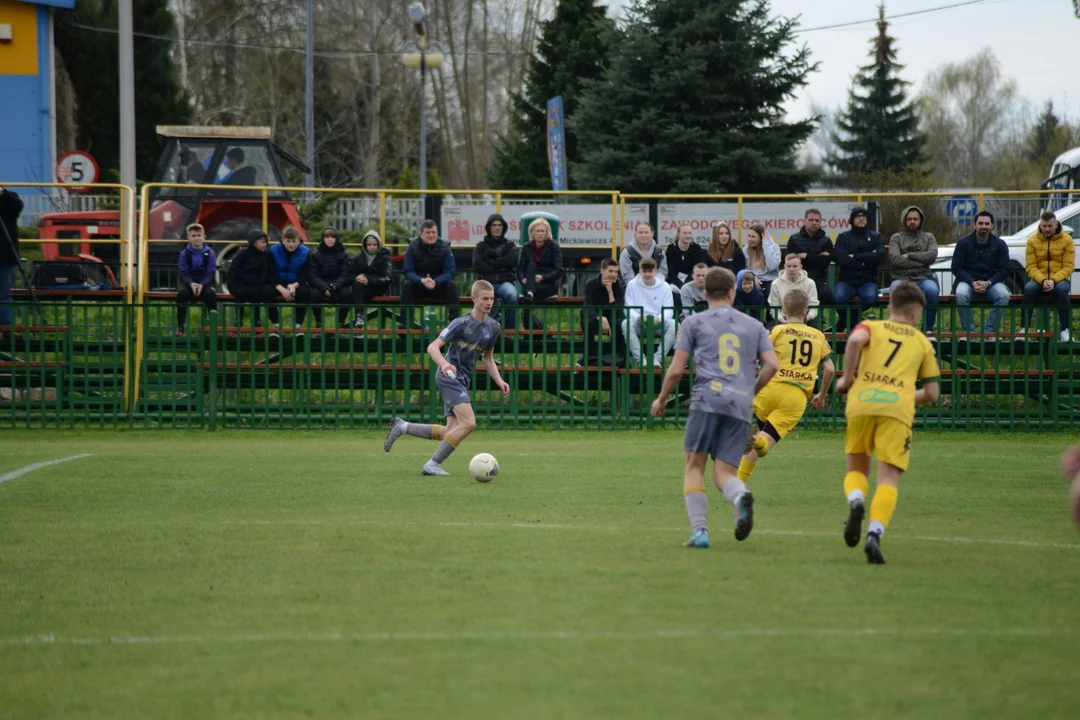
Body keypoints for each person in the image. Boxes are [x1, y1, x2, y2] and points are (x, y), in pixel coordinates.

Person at [650, 267, 778, 548]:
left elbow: (675, 370)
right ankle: (739, 496)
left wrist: (661, 400)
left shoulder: (694, 323)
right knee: (725, 472)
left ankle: (700, 531)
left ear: (705, 293)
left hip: (706, 400)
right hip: (739, 404)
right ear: (732, 292)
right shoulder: (754, 325)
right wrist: (751, 391)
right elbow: (773, 365)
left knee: (694, 466)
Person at [835, 281, 941, 565]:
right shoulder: (921, 342)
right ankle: (874, 533)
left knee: (857, 466)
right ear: (915, 313)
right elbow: (932, 393)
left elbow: (854, 341)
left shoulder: (872, 326)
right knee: (888, 477)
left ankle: (856, 499)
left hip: (862, 402)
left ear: (889, 306)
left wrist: (847, 378)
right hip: (897, 410)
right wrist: (905, 396)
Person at [383, 280, 510, 476]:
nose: (489, 302)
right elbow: (432, 347)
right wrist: (444, 364)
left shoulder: (494, 327)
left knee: (450, 432)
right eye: (485, 298)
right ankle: (432, 464)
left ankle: (403, 427)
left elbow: (488, 359)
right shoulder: (460, 323)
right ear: (474, 299)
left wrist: (499, 380)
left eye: (492, 299)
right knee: (469, 423)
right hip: (449, 376)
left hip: (463, 380)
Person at [737, 289, 834, 484]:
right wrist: (821, 395)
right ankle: (754, 440)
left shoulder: (777, 331)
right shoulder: (818, 336)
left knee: (758, 443)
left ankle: (736, 485)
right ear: (806, 311)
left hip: (769, 389)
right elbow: (830, 369)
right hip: (795, 396)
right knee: (763, 446)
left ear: (782, 311)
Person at [952, 211, 1011, 335]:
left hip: (991, 282)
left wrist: (988, 282)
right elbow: (956, 268)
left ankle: (989, 332)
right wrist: (972, 282)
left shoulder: (1000, 244)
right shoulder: (963, 243)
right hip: (968, 282)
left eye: (987, 223)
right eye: (980, 223)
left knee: (1004, 296)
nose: (983, 226)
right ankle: (969, 333)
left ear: (992, 225)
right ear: (974, 225)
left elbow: (1005, 269)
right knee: (961, 294)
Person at [1022, 211, 1074, 341]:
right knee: (1028, 290)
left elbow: (1068, 266)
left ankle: (1065, 331)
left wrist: (1054, 280)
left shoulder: (1067, 240)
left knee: (1061, 290)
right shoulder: (1032, 241)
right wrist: (1044, 279)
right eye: (1044, 226)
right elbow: (1030, 266)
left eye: (1050, 226)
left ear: (1056, 224)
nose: (1046, 229)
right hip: (1039, 278)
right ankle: (1024, 329)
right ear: (1040, 224)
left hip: (1060, 279)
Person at [888, 206, 939, 337]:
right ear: (904, 220)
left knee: (932, 290)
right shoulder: (896, 238)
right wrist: (922, 260)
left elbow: (932, 256)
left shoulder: (929, 237)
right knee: (894, 289)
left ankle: (927, 329)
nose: (912, 222)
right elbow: (895, 260)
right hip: (901, 278)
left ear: (921, 220)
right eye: (909, 219)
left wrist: (910, 255)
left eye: (915, 219)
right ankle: (900, 328)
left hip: (923, 278)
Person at [833, 206, 885, 333]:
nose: (861, 218)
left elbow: (880, 256)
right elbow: (842, 260)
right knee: (838, 298)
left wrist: (855, 256)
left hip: (868, 281)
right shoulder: (843, 237)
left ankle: (845, 322)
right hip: (846, 281)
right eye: (858, 216)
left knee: (870, 297)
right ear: (852, 220)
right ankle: (851, 322)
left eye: (864, 216)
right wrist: (867, 260)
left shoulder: (876, 236)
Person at [401, 219, 460, 322]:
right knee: (407, 285)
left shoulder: (445, 247)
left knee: (452, 285)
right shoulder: (412, 247)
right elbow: (408, 271)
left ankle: (455, 323)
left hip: (439, 286)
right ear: (421, 234)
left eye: (434, 232)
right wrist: (421, 280)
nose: (431, 235)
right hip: (419, 285)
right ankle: (406, 324)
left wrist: (436, 282)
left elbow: (450, 271)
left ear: (437, 233)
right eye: (428, 232)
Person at [625, 258, 675, 367]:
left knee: (674, 325)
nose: (647, 274)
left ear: (656, 271)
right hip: (639, 323)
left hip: (657, 323)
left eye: (650, 271)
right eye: (644, 271)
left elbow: (669, 310)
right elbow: (628, 309)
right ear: (640, 271)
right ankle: (642, 360)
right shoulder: (632, 284)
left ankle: (656, 359)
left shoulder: (665, 286)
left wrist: (659, 318)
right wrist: (639, 317)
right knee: (626, 324)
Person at [472, 213, 518, 329]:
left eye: (499, 225)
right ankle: (480, 329)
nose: (497, 228)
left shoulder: (510, 245)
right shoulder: (481, 246)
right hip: (485, 283)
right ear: (489, 228)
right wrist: (500, 266)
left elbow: (511, 261)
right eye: (494, 225)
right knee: (480, 297)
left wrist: (489, 262)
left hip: (504, 282)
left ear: (503, 228)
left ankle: (510, 331)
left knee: (512, 295)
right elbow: (477, 265)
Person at [300, 226, 352, 328]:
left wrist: (335, 286)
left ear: (336, 239)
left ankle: (340, 323)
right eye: (327, 237)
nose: (330, 239)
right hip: (321, 284)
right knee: (314, 295)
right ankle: (319, 323)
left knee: (347, 294)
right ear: (323, 239)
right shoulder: (315, 255)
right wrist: (324, 287)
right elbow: (312, 275)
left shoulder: (343, 254)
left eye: (332, 237)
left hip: (338, 284)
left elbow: (345, 274)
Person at [581, 257, 627, 366]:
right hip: (593, 318)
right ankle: (589, 359)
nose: (614, 274)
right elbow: (588, 306)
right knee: (589, 324)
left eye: (616, 272)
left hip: (610, 318)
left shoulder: (619, 287)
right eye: (610, 271)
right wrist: (600, 317)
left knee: (620, 325)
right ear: (602, 271)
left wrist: (610, 292)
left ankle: (617, 359)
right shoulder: (590, 284)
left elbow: (618, 313)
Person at [227, 229, 277, 327]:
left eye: (266, 242)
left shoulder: (267, 254)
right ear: (254, 242)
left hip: (256, 284)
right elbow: (233, 270)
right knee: (239, 295)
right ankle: (239, 322)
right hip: (241, 283)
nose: (265, 245)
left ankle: (256, 321)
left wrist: (261, 282)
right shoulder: (243, 253)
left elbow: (269, 270)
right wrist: (232, 287)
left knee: (256, 295)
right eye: (262, 242)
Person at [175, 223, 217, 336]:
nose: (197, 238)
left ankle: (214, 326)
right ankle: (180, 325)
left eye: (199, 235)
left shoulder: (210, 253)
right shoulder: (184, 253)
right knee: (182, 293)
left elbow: (211, 272)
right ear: (189, 238)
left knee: (211, 294)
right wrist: (191, 283)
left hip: (206, 282)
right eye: (193, 236)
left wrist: (202, 284)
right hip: (189, 281)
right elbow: (183, 271)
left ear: (204, 236)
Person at [786, 208, 835, 304]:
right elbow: (790, 260)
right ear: (804, 221)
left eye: (817, 220)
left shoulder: (826, 241)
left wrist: (806, 256)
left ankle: (819, 318)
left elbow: (825, 262)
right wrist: (818, 257)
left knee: (827, 294)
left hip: (819, 279)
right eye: (811, 220)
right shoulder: (794, 239)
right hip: (797, 279)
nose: (814, 223)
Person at [268, 227, 310, 331]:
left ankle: (298, 325)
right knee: (266, 291)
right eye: (288, 241)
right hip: (277, 283)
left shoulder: (306, 252)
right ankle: (276, 324)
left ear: (299, 241)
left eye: (294, 241)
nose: (291, 244)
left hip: (295, 282)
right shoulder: (273, 251)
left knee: (304, 292)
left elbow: (305, 274)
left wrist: (295, 285)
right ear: (282, 240)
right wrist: (281, 289)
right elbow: (270, 273)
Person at [349, 230, 391, 329]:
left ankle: (359, 318)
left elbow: (387, 278)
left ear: (379, 244)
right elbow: (349, 275)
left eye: (375, 244)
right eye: (369, 245)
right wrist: (357, 277)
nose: (372, 247)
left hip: (378, 288)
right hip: (360, 288)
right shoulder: (358, 259)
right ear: (365, 245)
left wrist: (369, 280)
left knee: (357, 291)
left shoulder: (385, 258)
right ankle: (343, 326)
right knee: (356, 286)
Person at [518, 217, 564, 305]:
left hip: (548, 285)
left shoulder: (553, 246)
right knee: (531, 264)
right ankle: (530, 295)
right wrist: (523, 280)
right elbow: (521, 268)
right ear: (532, 232)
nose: (540, 233)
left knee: (528, 293)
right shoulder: (526, 247)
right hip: (530, 284)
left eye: (542, 231)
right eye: (537, 231)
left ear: (547, 233)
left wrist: (542, 277)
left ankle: (530, 294)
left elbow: (559, 270)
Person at [768, 254, 820, 325]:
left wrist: (805, 319)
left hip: (805, 318)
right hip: (783, 318)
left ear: (800, 267)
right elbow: (774, 309)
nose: (791, 269)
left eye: (795, 266)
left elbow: (814, 306)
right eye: (789, 266)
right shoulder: (776, 284)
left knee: (817, 331)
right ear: (784, 267)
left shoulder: (810, 283)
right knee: (771, 331)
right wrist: (783, 320)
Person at [0, 186, 24, 331]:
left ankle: (6, 330)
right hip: (6, 257)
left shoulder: (10, 199)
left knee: (3, 295)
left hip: (4, 256)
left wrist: (3, 194)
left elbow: (17, 207)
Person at [619, 221, 667, 285]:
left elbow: (663, 273)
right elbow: (627, 275)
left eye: (646, 232)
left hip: (656, 288)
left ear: (652, 234)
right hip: (634, 290)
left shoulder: (660, 252)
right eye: (640, 232)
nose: (643, 235)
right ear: (635, 234)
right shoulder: (627, 252)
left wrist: (653, 286)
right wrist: (641, 287)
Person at [666, 222, 709, 291]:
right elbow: (671, 271)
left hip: (691, 281)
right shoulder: (671, 249)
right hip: (675, 283)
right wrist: (680, 285)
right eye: (685, 233)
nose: (688, 235)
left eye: (690, 233)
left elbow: (695, 269)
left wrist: (686, 285)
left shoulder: (696, 248)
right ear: (678, 235)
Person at [741, 223, 781, 294]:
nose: (750, 239)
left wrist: (766, 246)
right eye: (749, 236)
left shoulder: (774, 248)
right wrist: (752, 278)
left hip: (770, 281)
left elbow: (772, 266)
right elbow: (744, 269)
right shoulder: (745, 250)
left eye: (753, 237)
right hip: (752, 280)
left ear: (761, 238)